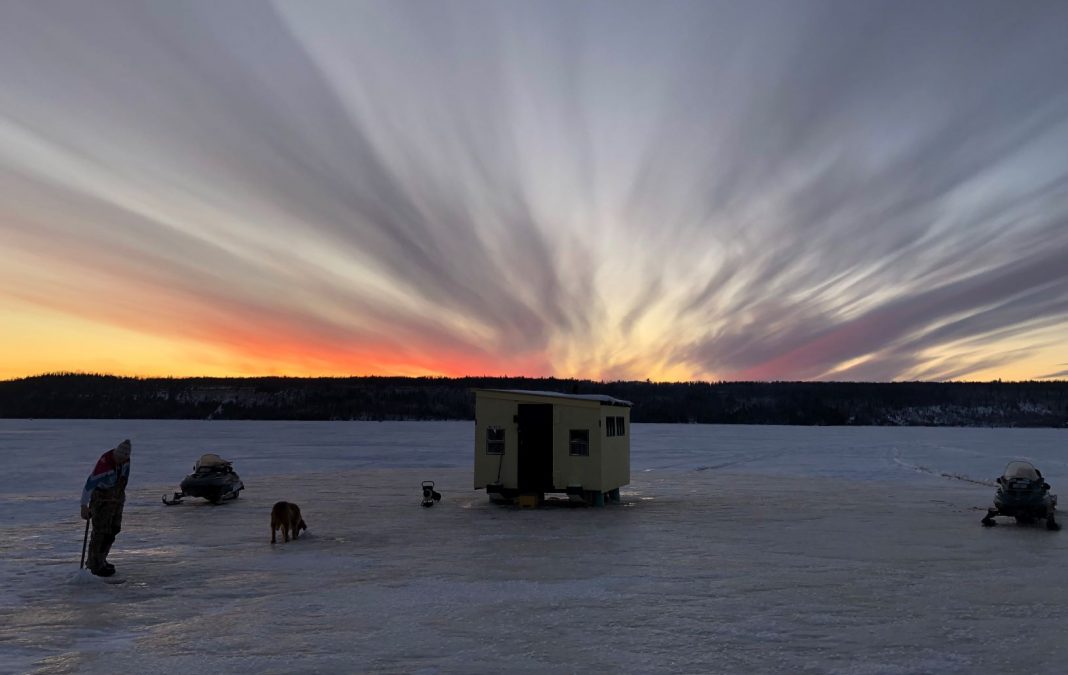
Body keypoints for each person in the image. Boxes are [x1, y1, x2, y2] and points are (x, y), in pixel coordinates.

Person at [80, 439, 131, 576]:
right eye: (119, 457)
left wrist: (119, 497)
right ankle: (93, 563)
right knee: (101, 531)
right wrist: (84, 506)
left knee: (113, 529)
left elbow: (123, 480)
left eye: (124, 457)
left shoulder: (126, 461)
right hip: (101, 500)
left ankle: (102, 559)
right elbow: (89, 485)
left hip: (117, 499)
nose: (121, 460)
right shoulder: (104, 465)